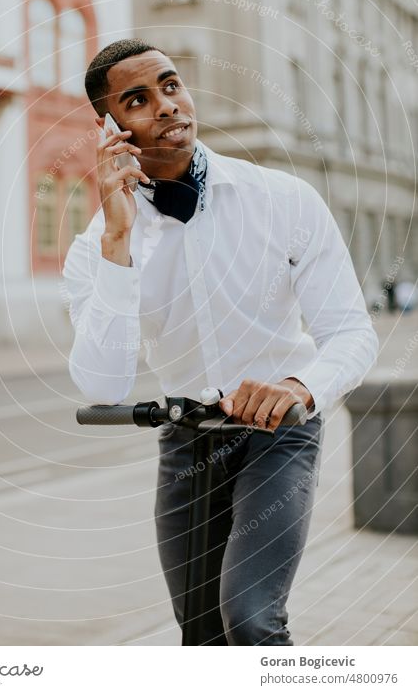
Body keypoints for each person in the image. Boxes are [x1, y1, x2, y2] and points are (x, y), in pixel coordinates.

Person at [63, 39, 379, 646]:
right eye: (137, 100)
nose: (166, 106)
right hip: (186, 439)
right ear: (108, 126)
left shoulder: (284, 201)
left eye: (171, 84)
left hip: (279, 432)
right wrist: (117, 241)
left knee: (252, 618)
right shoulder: (96, 247)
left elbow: (351, 333)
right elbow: (103, 385)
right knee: (200, 636)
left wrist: (299, 385)